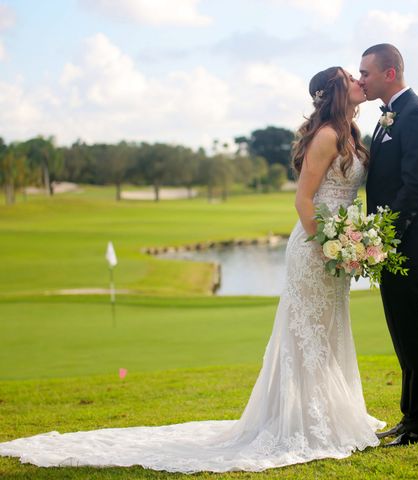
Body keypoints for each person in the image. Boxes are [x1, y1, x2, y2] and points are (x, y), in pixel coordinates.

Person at [0, 67, 383, 473]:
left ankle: (327, 415)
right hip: (314, 250)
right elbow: (303, 200)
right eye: (350, 77)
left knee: (329, 330)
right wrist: (326, 246)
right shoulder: (325, 136)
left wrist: (350, 241)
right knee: (307, 334)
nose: (359, 81)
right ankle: (304, 424)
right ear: (337, 90)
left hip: (336, 245)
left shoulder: (351, 135)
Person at [359, 44, 418, 447]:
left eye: (366, 72)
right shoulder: (386, 119)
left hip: (415, 246)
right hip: (392, 248)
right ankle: (408, 416)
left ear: (390, 73)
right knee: (402, 334)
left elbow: (415, 190)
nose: (360, 79)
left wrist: (383, 235)